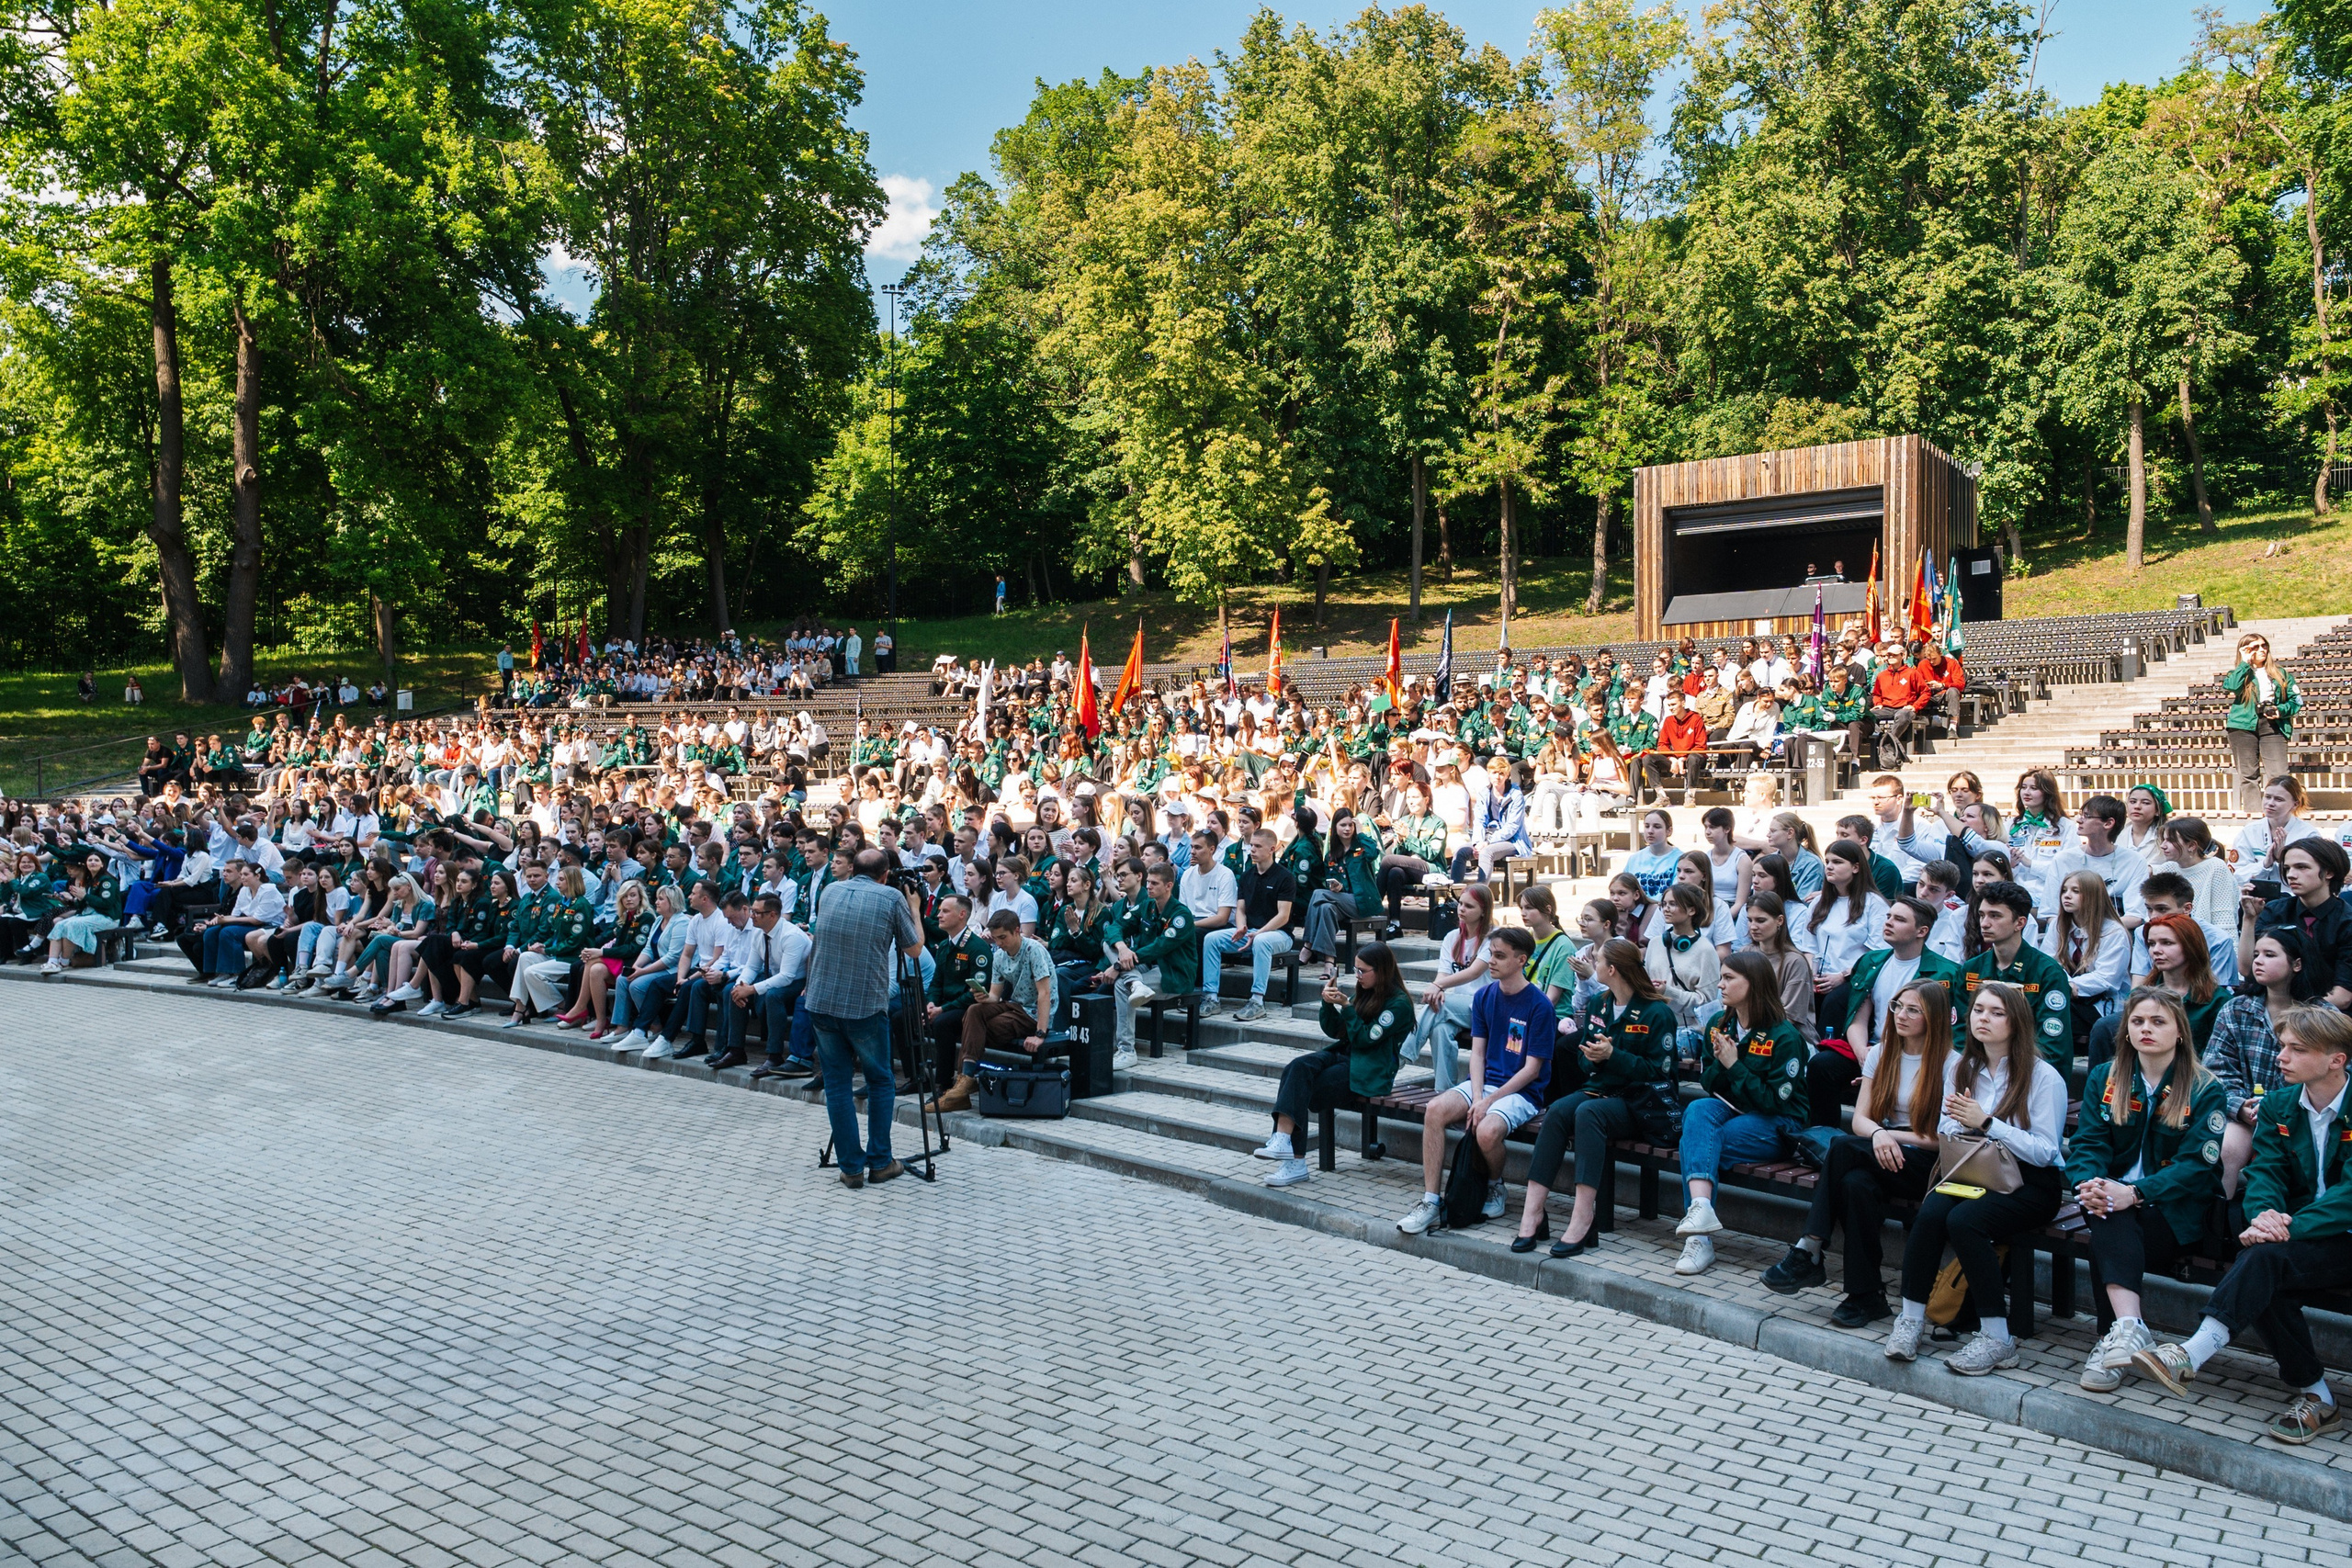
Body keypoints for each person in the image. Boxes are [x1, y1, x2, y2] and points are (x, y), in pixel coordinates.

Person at [2134, 1007, 2352, 1446]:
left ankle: (2193, 1352)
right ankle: (2318, 1396)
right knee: (2263, 1267)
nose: (2281, 1057)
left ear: (2336, 1059)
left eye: (2297, 1049)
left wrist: (2286, 1226)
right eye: (2283, 1046)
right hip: (2299, 1238)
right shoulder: (2279, 1105)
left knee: (2262, 1262)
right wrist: (2264, 1216)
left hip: (2339, 1237)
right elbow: (2266, 1173)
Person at [1883, 982, 2068, 1374]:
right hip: (1976, 1170)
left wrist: (1987, 1123)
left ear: (2017, 1022)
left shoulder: (2043, 1076)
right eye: (1979, 1010)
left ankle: (1998, 1338)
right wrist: (1963, 1124)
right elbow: (1946, 1127)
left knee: (1965, 1221)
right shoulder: (1963, 1067)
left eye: (1997, 1013)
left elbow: (2046, 1151)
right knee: (1932, 1212)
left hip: (2032, 1182)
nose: (1984, 1019)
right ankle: (1911, 1319)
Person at [1762, 978, 1951, 1325]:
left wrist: (1887, 1135)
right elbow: (1862, 1120)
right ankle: (1866, 1296)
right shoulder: (1881, 1053)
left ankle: (1810, 1247)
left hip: (1929, 1162)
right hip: (1884, 1152)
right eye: (1897, 1006)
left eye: (1913, 1010)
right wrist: (1879, 1134)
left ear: (1935, 1018)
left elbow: (1945, 1138)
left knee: (1842, 1147)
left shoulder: (1951, 1064)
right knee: (1854, 1185)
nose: (1901, 1015)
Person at [2065, 988, 2227, 1392]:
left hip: (2174, 1212)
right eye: (2137, 1021)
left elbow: (2196, 1168)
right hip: (2112, 1202)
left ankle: (2114, 1337)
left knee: (2110, 1221)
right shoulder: (2106, 1076)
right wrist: (2089, 1183)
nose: (2146, 1029)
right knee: (2107, 1211)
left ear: (2180, 1032)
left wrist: (2134, 1193)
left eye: (2158, 1022)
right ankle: (2127, 1332)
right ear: (2126, 1030)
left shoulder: (2205, 1087)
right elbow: (2088, 1144)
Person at [1511, 937, 1678, 1257]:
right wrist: (1593, 1058)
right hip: (1601, 1090)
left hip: (1640, 1102)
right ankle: (1533, 1213)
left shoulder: (1657, 1012)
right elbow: (1582, 1055)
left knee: (1588, 1114)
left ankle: (1584, 1216)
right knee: (1558, 1111)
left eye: (1598, 960)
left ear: (1612, 969)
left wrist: (1614, 1056)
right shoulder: (1600, 1004)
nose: (1593, 964)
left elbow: (1660, 1073)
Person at [1396, 926, 1555, 1237]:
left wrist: (1488, 1102)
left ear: (1521, 960)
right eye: (1490, 954)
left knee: (1487, 1130)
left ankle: (1496, 1186)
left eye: (1499, 956)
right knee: (1435, 1110)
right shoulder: (1484, 996)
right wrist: (1479, 1097)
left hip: (1523, 1092)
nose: (1491, 961)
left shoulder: (1540, 1005)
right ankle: (1430, 1201)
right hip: (1484, 1083)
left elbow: (1532, 1070)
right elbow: (1478, 1054)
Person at [1672, 951, 1807, 1274]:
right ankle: (1701, 1216)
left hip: (1778, 1124)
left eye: (1729, 978)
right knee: (1698, 1109)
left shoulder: (1784, 1036)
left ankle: (1699, 1240)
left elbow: (1773, 1102)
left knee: (1697, 1143)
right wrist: (1722, 1064)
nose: (1720, 985)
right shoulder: (1719, 1025)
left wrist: (1734, 1065)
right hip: (1732, 1110)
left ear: (1754, 983)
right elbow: (1708, 1084)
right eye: (1721, 977)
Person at [804, 847, 923, 1188]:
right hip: (864, 1005)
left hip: (822, 1000)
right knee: (880, 1081)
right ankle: (881, 1162)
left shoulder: (830, 890)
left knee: (837, 1084)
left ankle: (851, 1168)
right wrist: (914, 908)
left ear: (853, 869)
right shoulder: (890, 897)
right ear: (885, 875)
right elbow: (914, 949)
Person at [1252, 943, 1413, 1189]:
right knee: (1297, 1068)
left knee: (1300, 1087)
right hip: (1346, 1055)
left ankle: (1295, 1162)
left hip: (1370, 1070)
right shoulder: (1366, 991)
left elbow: (1365, 1038)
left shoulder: (1398, 1004)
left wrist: (1347, 1007)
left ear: (1381, 971)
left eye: (1362, 971)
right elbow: (1338, 1030)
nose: (1358, 976)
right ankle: (1282, 1139)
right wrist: (1328, 1004)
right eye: (1356, 970)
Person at [1815, 897, 1960, 1131]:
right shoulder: (1871, 961)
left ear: (1922, 931)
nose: (1889, 923)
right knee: (1822, 1066)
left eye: (1899, 919)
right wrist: (1864, 1054)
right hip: (1872, 1050)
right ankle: (1822, 1136)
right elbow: (1858, 1019)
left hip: (1916, 1055)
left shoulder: (1948, 973)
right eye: (1888, 916)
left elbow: (1948, 1032)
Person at [2203, 928, 2316, 1198]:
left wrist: (2280, 1111)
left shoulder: (2320, 1016)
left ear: (2297, 964)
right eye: (2256, 955)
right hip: (2247, 1116)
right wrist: (2239, 1107)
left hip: (2305, 1118)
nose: (2258, 961)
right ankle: (2218, 1221)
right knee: (2224, 1149)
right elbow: (2215, 1074)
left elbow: (2334, 1078)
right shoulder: (2235, 1010)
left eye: (2269, 955)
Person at [933, 909, 1056, 1110]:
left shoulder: (1034, 950)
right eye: (996, 938)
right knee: (974, 1010)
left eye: (1003, 937)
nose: (999, 943)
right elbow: (995, 997)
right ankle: (966, 1080)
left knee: (978, 1028)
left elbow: (1045, 994)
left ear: (1017, 931)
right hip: (1014, 1004)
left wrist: (1040, 1033)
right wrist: (983, 996)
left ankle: (962, 1087)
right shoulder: (999, 955)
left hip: (1033, 1013)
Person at [1960, 880, 2075, 1070]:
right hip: (1977, 1069)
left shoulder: (2048, 972)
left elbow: (2053, 1042)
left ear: (2019, 923)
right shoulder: (1971, 969)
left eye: (1995, 916)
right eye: (1982, 915)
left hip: (2027, 1072)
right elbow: (1959, 1031)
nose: (1984, 923)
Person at [2241, 836, 2352, 1010]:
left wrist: (2292, 1014)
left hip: (2326, 1016)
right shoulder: (2275, 911)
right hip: (2269, 1007)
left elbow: (2342, 996)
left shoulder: (2346, 922)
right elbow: (2247, 969)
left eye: (2302, 867)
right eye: (2287, 868)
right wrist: (2249, 919)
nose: (2291, 875)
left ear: (2329, 873)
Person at [1199, 829, 1295, 1023]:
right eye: (1251, 845)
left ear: (1272, 849)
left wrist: (1258, 933)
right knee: (1211, 939)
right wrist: (1241, 927)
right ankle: (1211, 996)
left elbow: (1283, 916)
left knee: (1261, 941)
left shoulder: (1285, 877)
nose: (1252, 850)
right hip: (1250, 931)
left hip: (1279, 934)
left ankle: (1257, 1001)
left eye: (1258, 846)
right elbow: (1240, 909)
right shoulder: (1247, 875)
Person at [2220, 628, 2298, 816]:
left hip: (2273, 725)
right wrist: (2245, 663)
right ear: (2245, 650)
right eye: (2255, 647)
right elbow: (2231, 687)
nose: (2262, 649)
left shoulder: (2280, 673)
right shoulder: (2238, 673)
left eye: (2264, 646)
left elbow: (2296, 700)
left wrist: (2280, 710)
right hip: (2242, 726)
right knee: (2248, 775)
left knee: (2279, 775)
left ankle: (2281, 815)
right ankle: (2254, 816)